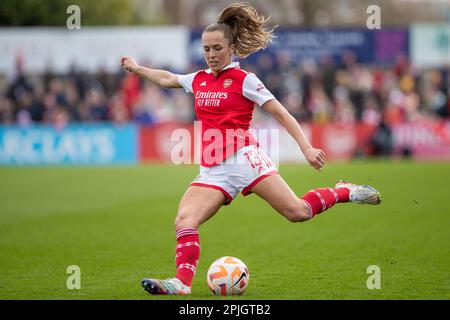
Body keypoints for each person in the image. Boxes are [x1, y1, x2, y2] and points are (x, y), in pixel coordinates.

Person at [121, 3, 382, 295]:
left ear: (231, 47)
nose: (211, 54)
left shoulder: (246, 81)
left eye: (217, 48)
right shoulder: (199, 79)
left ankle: (344, 191)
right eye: (206, 49)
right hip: (212, 170)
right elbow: (169, 78)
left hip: (245, 159)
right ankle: (181, 283)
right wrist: (137, 68)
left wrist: (306, 148)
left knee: (298, 211)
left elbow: (282, 113)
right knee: (184, 219)